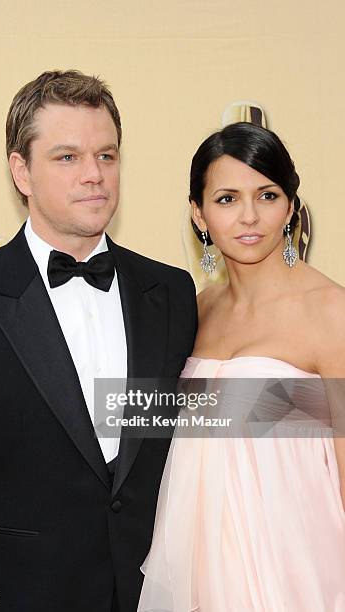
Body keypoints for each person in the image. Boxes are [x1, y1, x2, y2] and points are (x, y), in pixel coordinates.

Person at [0, 70, 197, 612]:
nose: (94, 176)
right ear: (20, 171)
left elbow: (198, 429)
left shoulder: (171, 291)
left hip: (151, 596)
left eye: (107, 155)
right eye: (67, 157)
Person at [138, 122, 345, 611]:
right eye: (227, 199)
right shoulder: (197, 311)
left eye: (267, 195)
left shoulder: (330, 312)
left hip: (298, 569)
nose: (249, 216)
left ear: (291, 206)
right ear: (199, 213)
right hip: (200, 567)